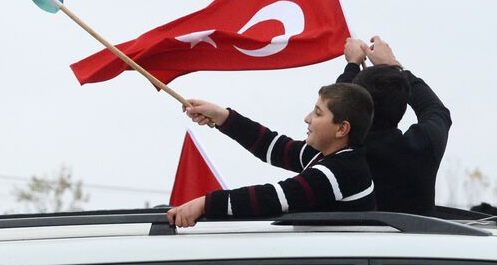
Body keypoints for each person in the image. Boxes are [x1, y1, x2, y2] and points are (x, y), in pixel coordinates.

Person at [168, 83, 377, 226]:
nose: (307, 118)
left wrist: (205, 204)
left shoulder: (338, 172)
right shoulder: (333, 156)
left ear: (341, 129)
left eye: (318, 113)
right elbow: (273, 147)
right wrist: (223, 116)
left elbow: (273, 197)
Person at [337, 35, 452, 215]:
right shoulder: (422, 146)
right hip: (417, 234)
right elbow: (435, 109)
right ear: (403, 105)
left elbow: (335, 111)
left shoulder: (342, 151)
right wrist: (394, 65)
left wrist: (352, 66)